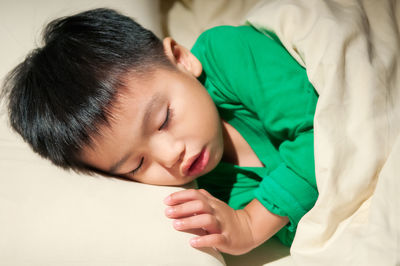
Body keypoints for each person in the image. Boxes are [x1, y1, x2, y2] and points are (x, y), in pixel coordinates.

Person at [1, 8, 318, 255]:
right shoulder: (207, 195)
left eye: (164, 119)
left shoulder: (227, 54)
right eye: (136, 165)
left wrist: (251, 225)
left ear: (180, 59)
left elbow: (323, 134)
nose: (170, 155)